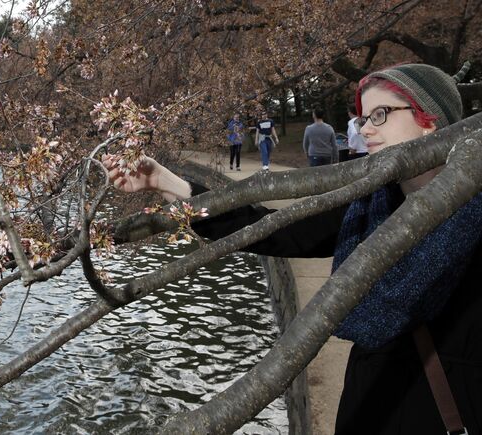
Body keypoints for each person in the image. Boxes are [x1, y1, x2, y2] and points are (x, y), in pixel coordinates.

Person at [102, 63, 481, 434]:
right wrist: (167, 183)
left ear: (430, 118)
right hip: (370, 406)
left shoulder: (474, 221)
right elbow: (268, 229)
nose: (364, 129)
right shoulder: (364, 207)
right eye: (363, 118)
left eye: (379, 114)